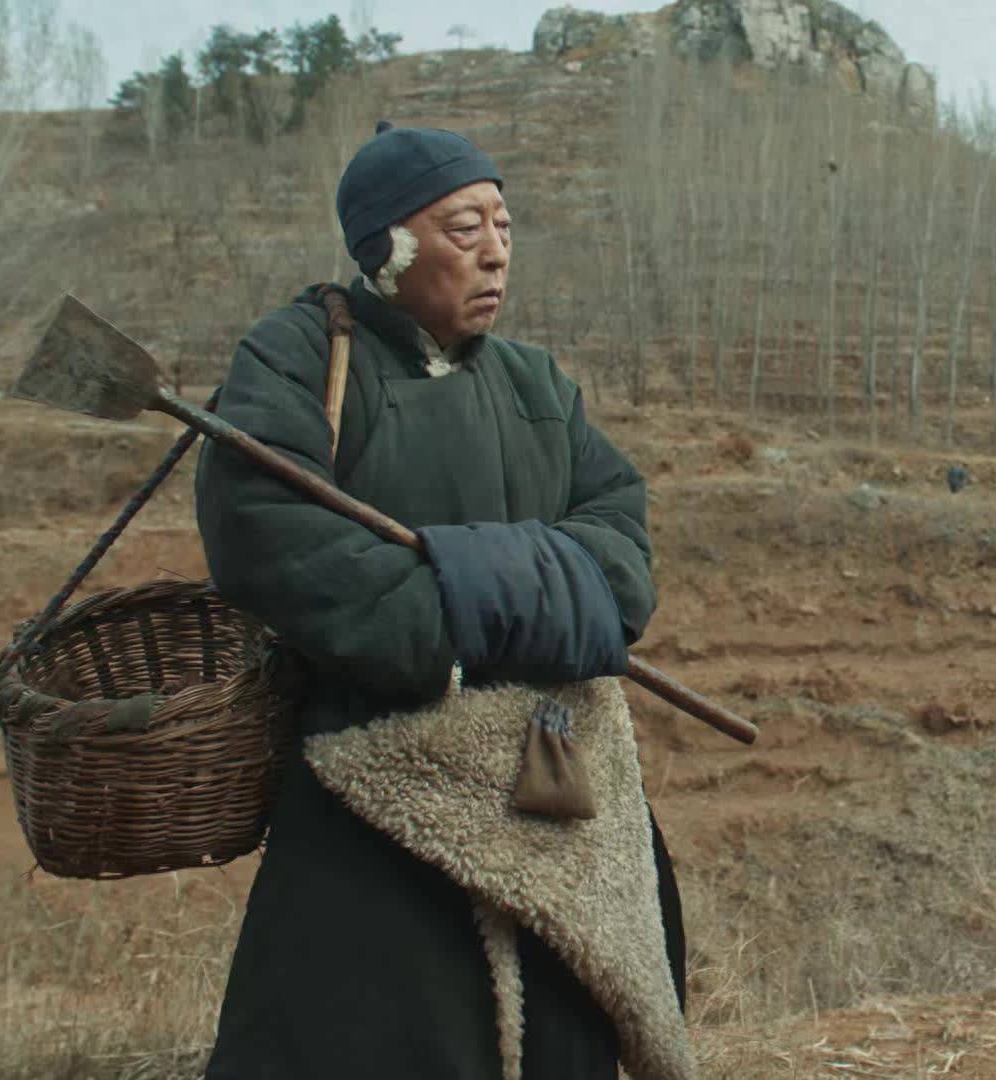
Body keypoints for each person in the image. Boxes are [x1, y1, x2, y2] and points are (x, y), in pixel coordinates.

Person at [193, 120, 686, 1079]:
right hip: (372, 775)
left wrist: (470, 583)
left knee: (564, 1043)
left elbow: (621, 552)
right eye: (464, 228)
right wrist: (474, 621)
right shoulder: (299, 358)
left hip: (548, 772)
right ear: (386, 247)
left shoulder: (537, 384)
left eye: (504, 225)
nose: (496, 251)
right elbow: (269, 536)